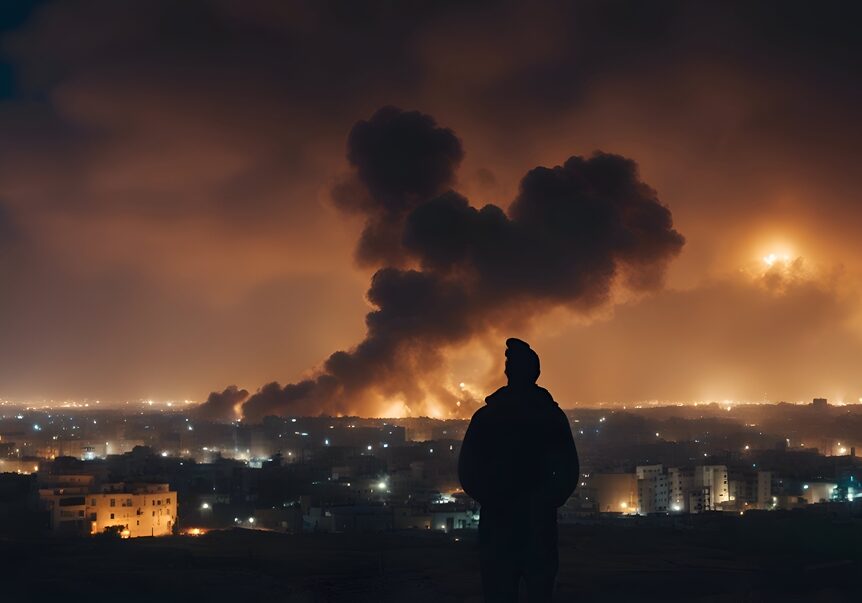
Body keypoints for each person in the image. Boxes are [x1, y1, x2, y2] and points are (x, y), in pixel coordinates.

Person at [458, 338, 579, 602]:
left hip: (501, 524)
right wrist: (547, 500)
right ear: (535, 373)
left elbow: (468, 471)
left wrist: (493, 498)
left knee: (500, 590)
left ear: (508, 372)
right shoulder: (550, 417)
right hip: (536, 524)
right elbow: (569, 471)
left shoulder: (487, 417)